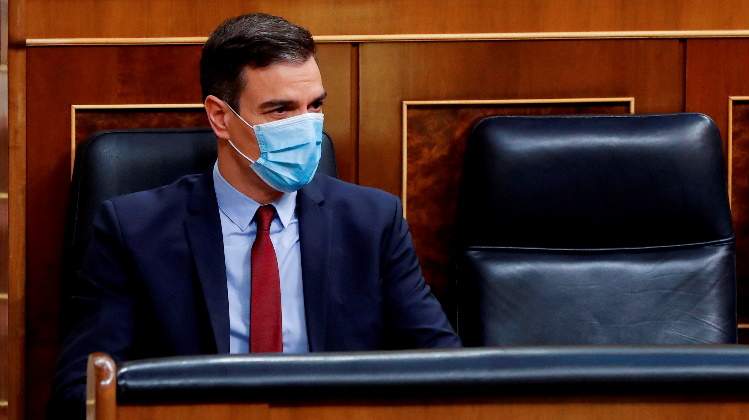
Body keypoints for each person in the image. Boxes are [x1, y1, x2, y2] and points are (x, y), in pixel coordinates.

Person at [50, 12, 461, 417]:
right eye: (280, 110)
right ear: (220, 117)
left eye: (315, 105)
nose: (306, 126)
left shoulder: (372, 222)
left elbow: (447, 372)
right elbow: (81, 393)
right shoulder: (134, 230)